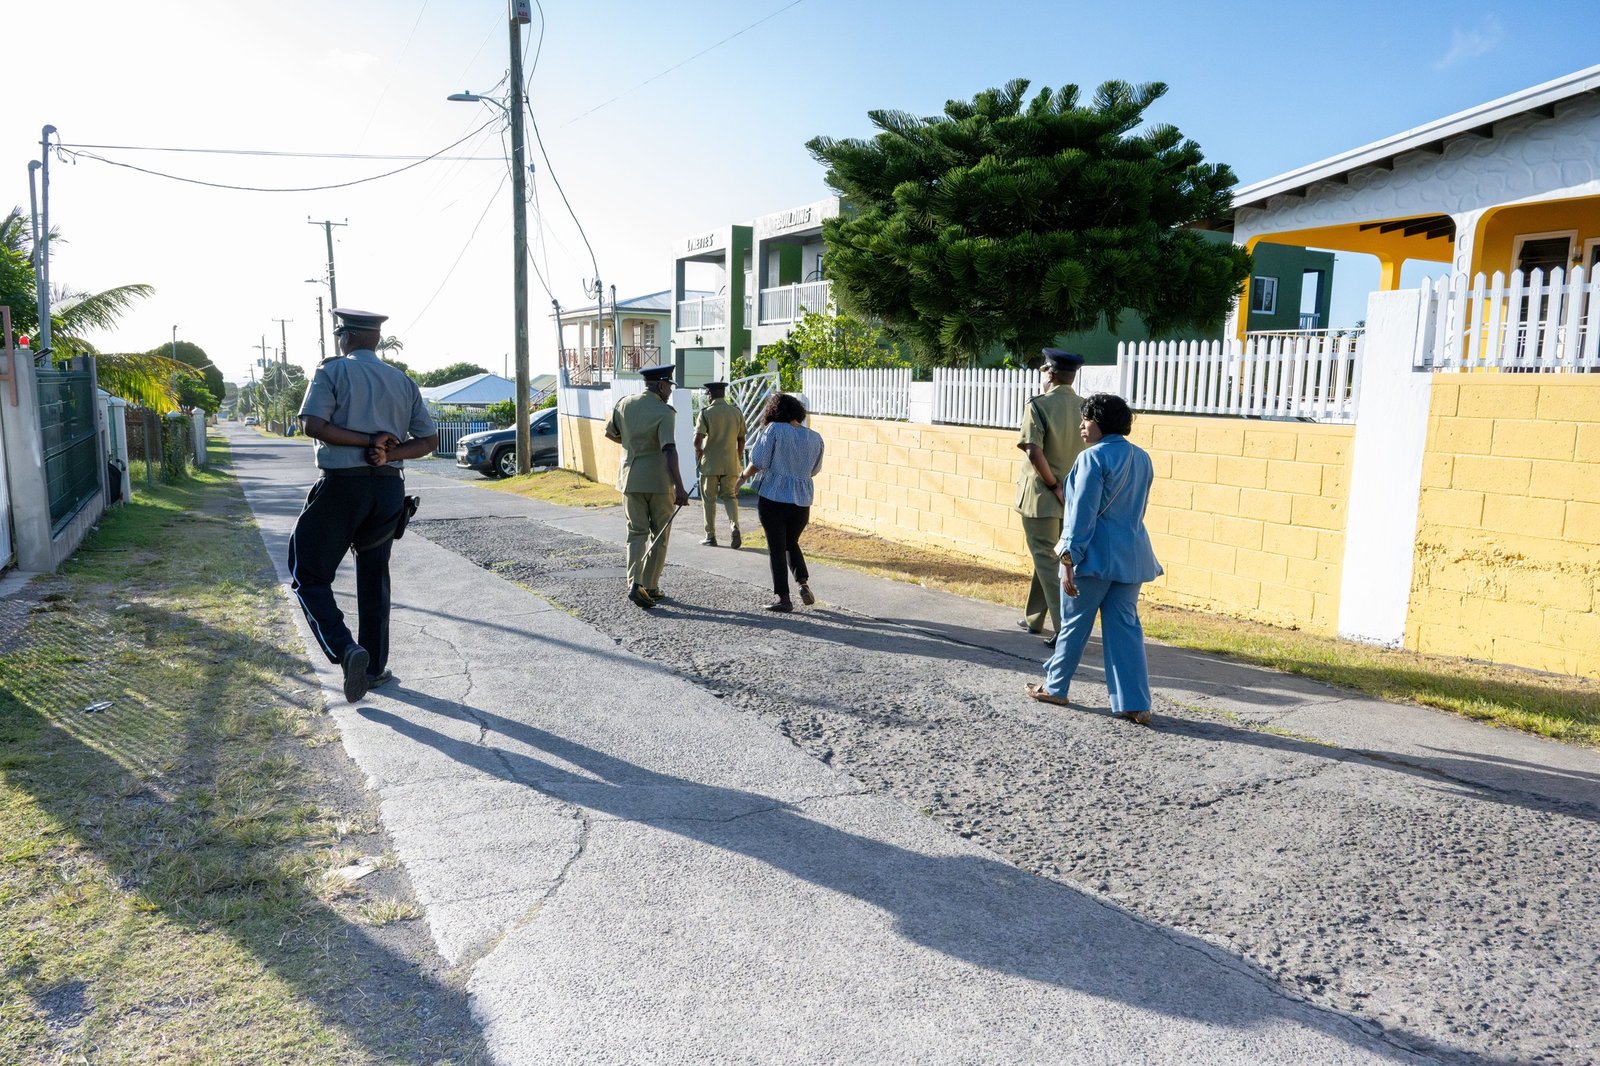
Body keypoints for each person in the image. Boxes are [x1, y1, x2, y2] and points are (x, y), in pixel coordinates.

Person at [288, 308, 438, 703]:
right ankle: (373, 670)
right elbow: (427, 441)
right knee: (374, 578)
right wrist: (387, 452)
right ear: (376, 339)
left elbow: (313, 426)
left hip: (342, 488)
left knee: (309, 575)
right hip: (388, 489)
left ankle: (347, 649)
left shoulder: (331, 371)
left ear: (345, 336)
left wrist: (367, 440)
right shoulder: (403, 381)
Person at [1026, 393, 1163, 725]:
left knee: (1074, 625)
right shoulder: (1142, 458)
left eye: (1086, 420)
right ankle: (1135, 703)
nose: (1081, 426)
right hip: (1132, 558)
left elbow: (1081, 514)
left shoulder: (1091, 459)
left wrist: (1070, 559)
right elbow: (1138, 511)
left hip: (1092, 558)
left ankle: (1055, 686)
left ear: (1099, 423)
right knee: (1126, 628)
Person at [1014, 348, 1088, 648]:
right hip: (1073, 497)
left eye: (1044, 370)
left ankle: (1064, 629)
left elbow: (1033, 450)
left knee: (1047, 558)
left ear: (1050, 373)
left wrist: (1054, 485)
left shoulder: (1038, 405)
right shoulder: (1085, 407)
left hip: (1043, 497)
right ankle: (1034, 617)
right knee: (1050, 555)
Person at [604, 364, 690, 609]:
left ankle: (634, 583)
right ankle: (650, 585)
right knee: (659, 534)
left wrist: (631, 444)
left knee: (636, 533)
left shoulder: (624, 404)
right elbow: (669, 450)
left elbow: (610, 433)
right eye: (669, 387)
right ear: (661, 385)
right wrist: (680, 488)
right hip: (658, 482)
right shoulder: (664, 412)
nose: (670, 392)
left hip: (629, 479)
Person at [739, 393, 825, 612]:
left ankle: (783, 598)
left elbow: (758, 461)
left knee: (776, 548)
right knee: (790, 542)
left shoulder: (774, 429)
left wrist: (741, 479)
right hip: (802, 502)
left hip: (774, 498)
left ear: (773, 411)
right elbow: (814, 470)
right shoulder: (815, 438)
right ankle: (803, 583)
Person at [694, 381, 746, 548]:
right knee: (730, 497)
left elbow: (697, 440)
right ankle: (734, 526)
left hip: (710, 464)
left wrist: (699, 451)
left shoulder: (706, 413)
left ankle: (710, 536)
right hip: (730, 463)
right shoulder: (736, 412)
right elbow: (741, 439)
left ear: (710, 395)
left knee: (709, 500)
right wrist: (736, 456)